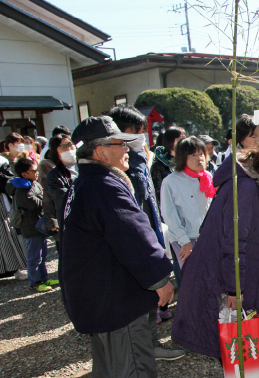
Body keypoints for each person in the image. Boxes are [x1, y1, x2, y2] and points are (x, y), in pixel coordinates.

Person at [171, 141, 259, 370]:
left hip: (225, 274)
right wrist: (235, 288)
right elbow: (234, 244)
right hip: (222, 277)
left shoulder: (251, 184)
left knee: (232, 341)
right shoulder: (245, 188)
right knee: (230, 339)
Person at [60, 116, 175, 377]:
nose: (127, 149)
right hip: (116, 301)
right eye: (120, 144)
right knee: (132, 367)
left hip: (97, 297)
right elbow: (133, 236)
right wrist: (159, 279)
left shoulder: (83, 185)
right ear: (101, 151)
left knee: (110, 367)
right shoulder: (103, 186)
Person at [106, 106, 183, 355]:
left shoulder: (138, 157)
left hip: (149, 234)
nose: (142, 137)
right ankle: (143, 349)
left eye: (143, 131)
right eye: (136, 132)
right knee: (141, 299)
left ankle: (149, 344)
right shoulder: (118, 168)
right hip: (137, 242)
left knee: (148, 300)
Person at [161, 137, 214, 274]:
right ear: (182, 158)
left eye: (201, 154)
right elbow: (169, 215)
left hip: (206, 237)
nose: (199, 158)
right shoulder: (171, 181)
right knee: (192, 278)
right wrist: (184, 241)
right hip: (183, 239)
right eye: (193, 155)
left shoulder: (207, 177)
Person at [6, 157, 58, 292]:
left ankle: (44, 277)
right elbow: (31, 203)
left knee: (42, 255)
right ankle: (35, 282)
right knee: (34, 256)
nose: (37, 173)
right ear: (24, 174)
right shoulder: (22, 187)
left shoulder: (31, 183)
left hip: (38, 225)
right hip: (30, 227)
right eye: (34, 171)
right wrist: (44, 200)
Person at [42, 134, 77, 245]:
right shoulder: (54, 174)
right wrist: (52, 222)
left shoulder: (86, 165)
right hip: (69, 223)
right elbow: (53, 199)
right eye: (63, 147)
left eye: (70, 145)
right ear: (55, 151)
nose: (68, 149)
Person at [0, 153, 28, 281]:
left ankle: (15, 269)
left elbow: (5, 183)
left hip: (1, 207)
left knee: (7, 238)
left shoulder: (0, 161)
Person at [151, 126, 186, 205]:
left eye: (185, 139)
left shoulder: (188, 161)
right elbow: (158, 194)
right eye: (180, 139)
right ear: (170, 141)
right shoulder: (158, 165)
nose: (184, 143)